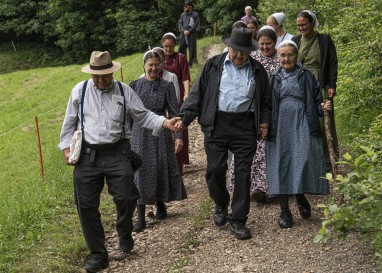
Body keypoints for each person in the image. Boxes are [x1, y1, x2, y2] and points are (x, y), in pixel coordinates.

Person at [58, 51, 180, 272]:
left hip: (118, 151)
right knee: (85, 206)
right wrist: (66, 149)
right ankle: (98, 255)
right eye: (98, 76)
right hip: (88, 155)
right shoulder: (80, 91)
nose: (102, 80)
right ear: (91, 73)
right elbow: (68, 125)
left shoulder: (124, 90)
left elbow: (143, 115)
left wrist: (165, 122)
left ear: (112, 72)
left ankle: (124, 230)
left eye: (106, 76)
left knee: (127, 196)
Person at [175, 27, 271, 240]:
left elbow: (265, 101)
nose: (238, 56)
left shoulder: (257, 70)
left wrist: (264, 121)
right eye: (235, 51)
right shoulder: (214, 65)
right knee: (215, 169)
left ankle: (238, 219)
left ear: (250, 51)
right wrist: (184, 118)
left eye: (243, 52)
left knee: (243, 174)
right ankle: (220, 203)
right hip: (217, 123)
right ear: (229, 47)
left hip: (245, 126)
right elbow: (197, 94)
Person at [266, 40, 331, 228]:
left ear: (297, 57)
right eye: (283, 55)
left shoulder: (307, 76)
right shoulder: (272, 78)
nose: (286, 58)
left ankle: (299, 195)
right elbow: (265, 106)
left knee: (302, 161)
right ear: (278, 57)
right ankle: (285, 212)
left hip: (302, 122)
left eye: (290, 55)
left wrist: (322, 107)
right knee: (281, 164)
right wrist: (263, 126)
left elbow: (317, 101)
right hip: (278, 126)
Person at [130, 50, 187, 232]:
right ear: (144, 66)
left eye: (157, 64)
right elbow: (129, 114)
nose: (154, 68)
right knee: (141, 171)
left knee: (160, 166)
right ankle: (140, 216)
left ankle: (161, 202)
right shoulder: (134, 85)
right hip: (140, 133)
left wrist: (178, 136)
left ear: (162, 65)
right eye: (150, 65)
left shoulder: (167, 86)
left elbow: (174, 112)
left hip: (161, 131)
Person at [228, 26, 279, 203]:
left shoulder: (284, 57)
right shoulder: (253, 59)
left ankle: (273, 189)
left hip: (278, 110)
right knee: (253, 149)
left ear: (275, 43)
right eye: (262, 44)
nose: (265, 47)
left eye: (269, 44)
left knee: (271, 150)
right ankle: (251, 188)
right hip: (255, 110)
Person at [292, 10, 339, 172]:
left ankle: (327, 159)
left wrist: (332, 85)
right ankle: (308, 159)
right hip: (301, 84)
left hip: (321, 83)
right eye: (298, 25)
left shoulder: (324, 40)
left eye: (303, 24)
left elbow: (332, 63)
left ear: (312, 23)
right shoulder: (295, 40)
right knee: (304, 121)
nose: (300, 28)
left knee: (324, 120)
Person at [162, 32, 190, 175]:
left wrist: (186, 93)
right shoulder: (159, 57)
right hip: (161, 96)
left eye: (171, 46)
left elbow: (185, 76)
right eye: (166, 46)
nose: (168, 49)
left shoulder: (180, 58)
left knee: (179, 126)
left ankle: (181, 158)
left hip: (176, 94)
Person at [178, 0, 200, 67]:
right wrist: (183, 31)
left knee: (192, 49)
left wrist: (189, 31)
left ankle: (190, 63)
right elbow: (179, 24)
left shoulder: (195, 15)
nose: (184, 8)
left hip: (192, 34)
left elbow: (196, 25)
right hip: (183, 34)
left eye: (186, 6)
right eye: (184, 6)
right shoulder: (182, 15)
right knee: (181, 48)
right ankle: (183, 62)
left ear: (190, 7)